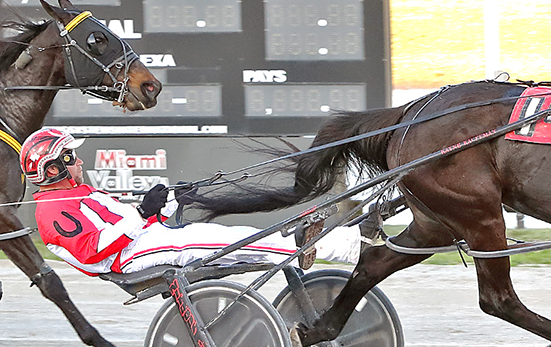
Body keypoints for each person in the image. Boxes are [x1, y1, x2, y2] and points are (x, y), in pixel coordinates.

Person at [20, 128, 361, 276]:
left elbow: (142, 225)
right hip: (125, 259)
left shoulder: (81, 194)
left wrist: (169, 204)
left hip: (140, 244)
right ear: (53, 168)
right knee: (227, 242)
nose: (78, 161)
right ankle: (340, 247)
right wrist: (142, 212)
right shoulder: (53, 210)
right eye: (71, 156)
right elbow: (94, 249)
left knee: (231, 236)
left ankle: (343, 241)